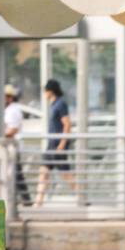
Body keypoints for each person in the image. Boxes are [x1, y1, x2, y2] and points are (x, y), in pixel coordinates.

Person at [36, 78, 74, 206]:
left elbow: (67, 124)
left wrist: (62, 144)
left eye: (45, 91)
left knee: (66, 174)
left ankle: (82, 197)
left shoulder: (60, 104)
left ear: (51, 91)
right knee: (44, 172)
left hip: (57, 144)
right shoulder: (53, 105)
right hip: (51, 144)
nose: (44, 94)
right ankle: (38, 201)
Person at [3, 83, 32, 205]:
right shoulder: (8, 110)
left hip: (13, 148)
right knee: (15, 175)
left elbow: (12, 130)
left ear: (9, 97)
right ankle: (22, 200)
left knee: (16, 175)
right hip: (9, 147)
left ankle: (24, 200)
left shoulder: (12, 111)